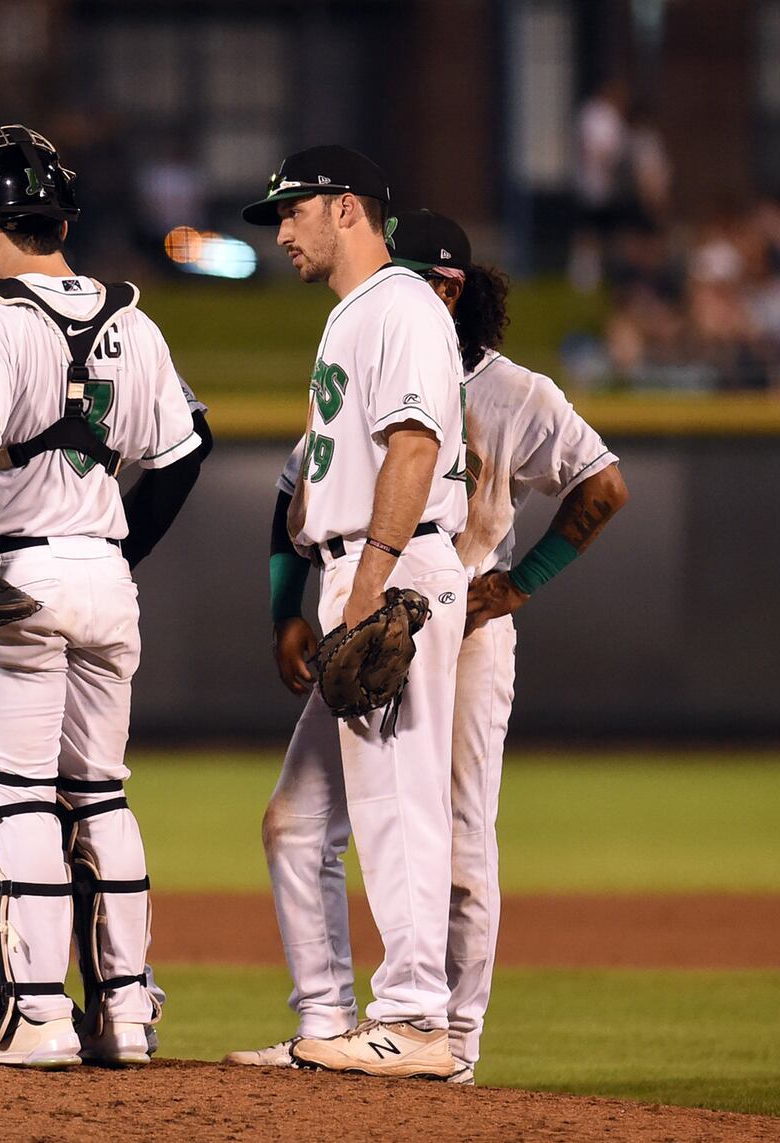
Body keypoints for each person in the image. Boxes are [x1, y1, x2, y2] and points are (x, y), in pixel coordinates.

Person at [232, 208, 628, 1084]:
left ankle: (452, 1043)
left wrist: (519, 584)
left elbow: (606, 484)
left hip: (455, 615)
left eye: (417, 275)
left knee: (458, 840)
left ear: (448, 288)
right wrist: (285, 608)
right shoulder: (377, 348)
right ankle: (329, 1021)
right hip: (379, 601)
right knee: (296, 822)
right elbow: (295, 484)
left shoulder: (515, 392)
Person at [0, 124, 203, 1069]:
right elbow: (183, 456)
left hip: (15, 573)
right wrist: (116, 557)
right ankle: (126, 1018)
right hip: (105, 575)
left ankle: (37, 1017)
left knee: (16, 797)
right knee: (101, 795)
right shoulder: (136, 321)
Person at [229, 147, 469, 1079]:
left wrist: (366, 582)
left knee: (397, 806)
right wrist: (311, 598)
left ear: (344, 210)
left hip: (396, 572)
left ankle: (414, 1018)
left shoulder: (402, 303)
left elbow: (414, 446)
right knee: (297, 820)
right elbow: (314, 482)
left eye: (291, 212)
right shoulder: (352, 317)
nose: (280, 231)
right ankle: (328, 1021)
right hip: (356, 571)